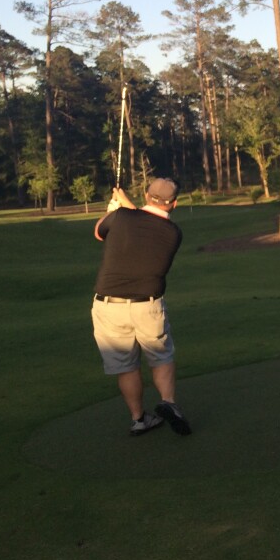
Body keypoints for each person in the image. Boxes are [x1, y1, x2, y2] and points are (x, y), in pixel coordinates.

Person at [91, 178, 192, 436]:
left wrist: (112, 210)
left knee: (125, 365)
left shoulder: (122, 218)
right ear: (175, 203)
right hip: (148, 305)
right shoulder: (173, 233)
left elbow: (99, 232)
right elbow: (148, 222)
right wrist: (124, 207)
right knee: (161, 356)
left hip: (109, 305)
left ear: (147, 195)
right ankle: (169, 402)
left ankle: (138, 419)